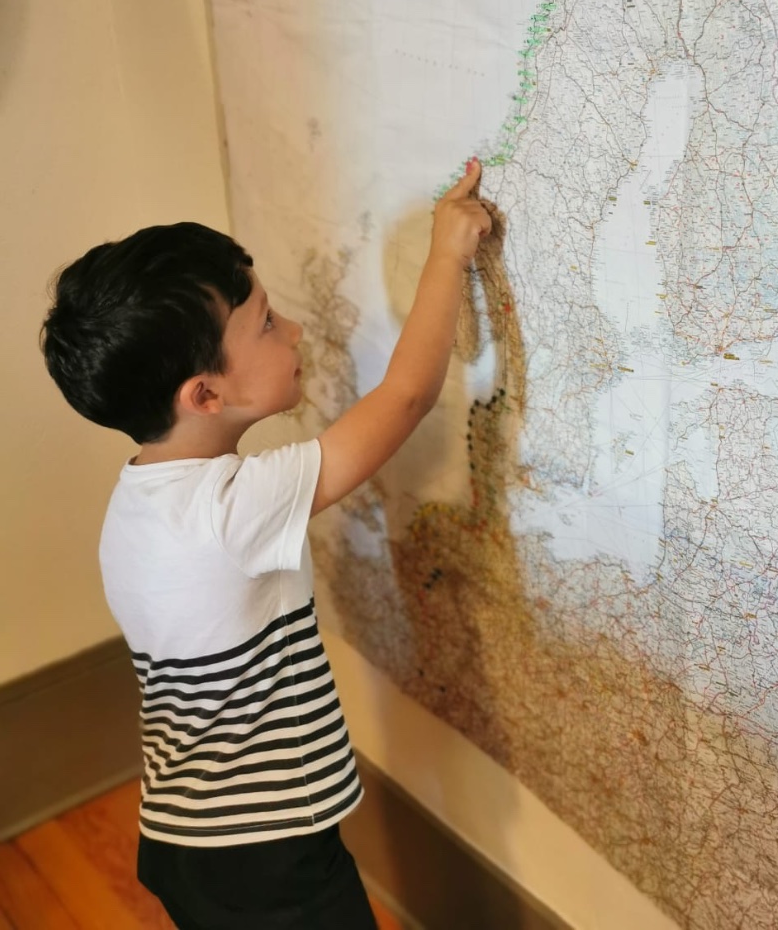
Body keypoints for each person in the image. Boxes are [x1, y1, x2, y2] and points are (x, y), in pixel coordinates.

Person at [39, 159, 492, 929]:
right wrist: (448, 255)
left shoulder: (137, 502)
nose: (297, 333)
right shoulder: (235, 509)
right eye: (269, 323)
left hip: (185, 832)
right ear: (206, 395)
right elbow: (407, 396)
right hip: (268, 854)